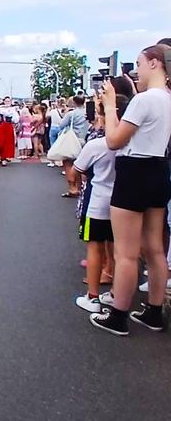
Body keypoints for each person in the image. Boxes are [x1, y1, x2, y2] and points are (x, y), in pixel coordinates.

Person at [90, 44, 171, 336]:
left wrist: (110, 106)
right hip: (159, 169)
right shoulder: (167, 99)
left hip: (134, 170)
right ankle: (153, 311)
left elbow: (114, 140)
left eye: (139, 63)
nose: (135, 71)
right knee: (155, 247)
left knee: (125, 252)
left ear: (154, 63)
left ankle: (118, 315)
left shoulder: (144, 100)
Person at [73, 135, 116, 312]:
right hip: (123, 201)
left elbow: (76, 169)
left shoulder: (96, 145)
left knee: (94, 247)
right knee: (120, 250)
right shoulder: (134, 143)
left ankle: (93, 297)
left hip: (96, 202)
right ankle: (116, 294)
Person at [58, 95, 90, 198]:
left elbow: (61, 125)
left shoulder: (71, 114)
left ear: (74, 103)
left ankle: (72, 188)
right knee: (81, 164)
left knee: (68, 163)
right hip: (84, 140)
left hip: (73, 140)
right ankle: (81, 186)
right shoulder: (87, 113)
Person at [0, 96, 19, 166]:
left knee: (7, 143)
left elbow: (16, 119)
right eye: (6, 101)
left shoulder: (13, 109)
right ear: (3, 101)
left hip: (9, 127)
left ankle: (4, 158)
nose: (7, 102)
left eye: (8, 101)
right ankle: (0, 155)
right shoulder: (0, 109)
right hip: (1, 126)